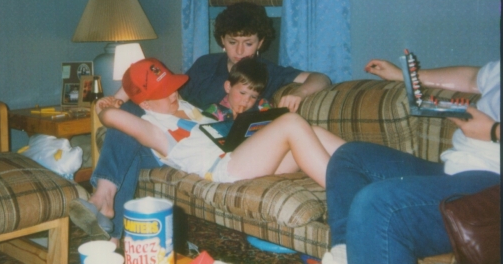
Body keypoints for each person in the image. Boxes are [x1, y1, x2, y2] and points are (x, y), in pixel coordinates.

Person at [70, 2, 332, 247]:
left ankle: (106, 224)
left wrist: (301, 93)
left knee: (126, 136)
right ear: (222, 41)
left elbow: (321, 78)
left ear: (260, 42)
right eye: (233, 42)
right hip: (182, 144)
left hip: (220, 150)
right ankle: (106, 213)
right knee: (127, 118)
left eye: (248, 43)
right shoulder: (206, 66)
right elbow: (158, 85)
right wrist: (115, 101)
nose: (240, 51)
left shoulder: (263, 71)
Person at [286, 58, 500, 264]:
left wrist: (495, 131)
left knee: (380, 204)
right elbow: (472, 77)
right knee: (350, 156)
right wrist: (404, 75)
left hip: (492, 186)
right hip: (455, 171)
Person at [98, 58, 344, 186]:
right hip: (226, 168)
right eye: (164, 93)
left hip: (243, 158)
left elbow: (155, 83)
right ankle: (343, 194)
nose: (173, 94)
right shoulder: (155, 129)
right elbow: (110, 117)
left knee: (313, 131)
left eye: (172, 88)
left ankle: (359, 164)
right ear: (145, 104)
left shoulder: (185, 106)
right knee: (290, 123)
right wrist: (107, 105)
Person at [202, 57, 271, 122]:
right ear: (228, 87)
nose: (247, 100)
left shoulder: (262, 105)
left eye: (253, 96)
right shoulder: (215, 111)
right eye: (242, 93)